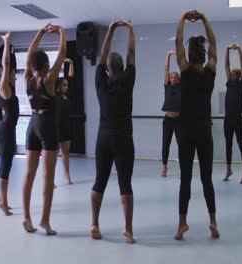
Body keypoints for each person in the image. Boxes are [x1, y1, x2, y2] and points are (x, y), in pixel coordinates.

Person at [174, 10, 219, 240]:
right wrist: (203, 18)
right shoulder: (210, 73)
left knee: (185, 179)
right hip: (204, 133)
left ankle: (182, 224)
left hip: (186, 133)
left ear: (189, 56)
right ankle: (213, 221)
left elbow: (178, 42)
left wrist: (183, 18)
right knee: (207, 178)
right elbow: (213, 42)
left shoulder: (184, 71)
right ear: (203, 56)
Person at [90, 19, 136, 244]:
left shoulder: (100, 82)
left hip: (103, 139)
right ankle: (127, 230)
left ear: (106, 69)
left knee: (100, 181)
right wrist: (130, 29)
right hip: (123, 139)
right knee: (125, 183)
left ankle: (95, 224)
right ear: (121, 67)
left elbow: (103, 52)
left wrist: (110, 29)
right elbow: (131, 52)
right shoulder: (128, 80)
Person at [22, 24, 67, 235]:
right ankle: (45, 221)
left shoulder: (28, 79)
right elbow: (63, 53)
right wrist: (61, 32)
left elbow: (30, 53)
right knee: (48, 176)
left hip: (32, 125)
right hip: (47, 126)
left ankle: (26, 217)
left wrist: (39, 32)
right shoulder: (49, 80)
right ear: (47, 64)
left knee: (28, 174)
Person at [0, 32, 19, 216]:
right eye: (13, 74)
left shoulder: (10, 90)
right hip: (5, 131)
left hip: (9, 130)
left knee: (8, 164)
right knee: (5, 166)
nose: (15, 76)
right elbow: (6, 64)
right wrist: (7, 43)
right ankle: (3, 202)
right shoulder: (4, 89)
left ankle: (0, 198)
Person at [223, 44, 242, 183]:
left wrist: (238, 48)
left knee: (240, 144)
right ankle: (228, 169)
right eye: (231, 74)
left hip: (238, 119)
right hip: (228, 118)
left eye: (234, 74)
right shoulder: (229, 83)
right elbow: (226, 65)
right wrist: (226, 49)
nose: (232, 75)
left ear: (239, 76)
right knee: (228, 144)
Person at [161, 50, 181, 177]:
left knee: (181, 144)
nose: (173, 79)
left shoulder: (181, 86)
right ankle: (164, 167)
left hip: (179, 120)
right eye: (171, 77)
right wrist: (168, 54)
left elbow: (182, 69)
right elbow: (166, 68)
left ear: (178, 79)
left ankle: (182, 166)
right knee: (165, 144)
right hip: (167, 120)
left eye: (175, 77)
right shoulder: (167, 85)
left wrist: (179, 56)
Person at [55, 58, 74, 185]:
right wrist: (59, 61)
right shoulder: (54, 96)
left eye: (66, 85)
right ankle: (51, 179)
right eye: (63, 85)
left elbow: (71, 77)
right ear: (58, 86)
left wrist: (71, 64)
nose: (66, 87)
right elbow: (54, 74)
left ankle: (67, 174)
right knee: (53, 154)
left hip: (66, 127)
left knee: (65, 153)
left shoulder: (67, 96)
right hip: (55, 128)